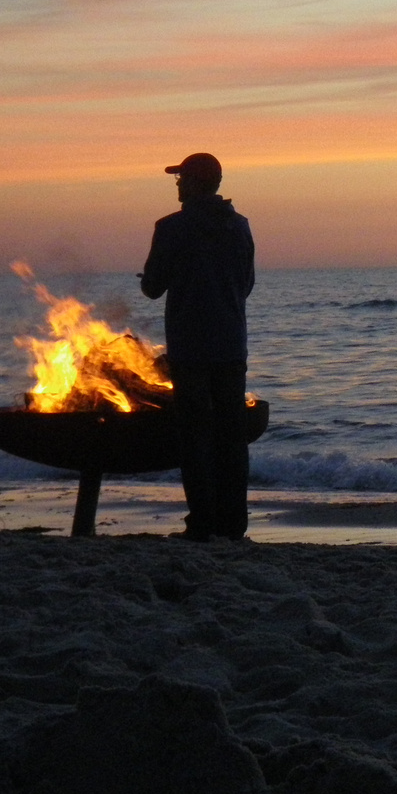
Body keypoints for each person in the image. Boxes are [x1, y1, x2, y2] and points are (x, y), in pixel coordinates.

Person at [139, 153, 255, 541]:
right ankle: (233, 524)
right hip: (231, 345)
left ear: (194, 183)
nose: (177, 184)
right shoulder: (240, 227)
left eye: (181, 178)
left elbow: (152, 288)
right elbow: (247, 284)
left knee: (196, 437)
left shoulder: (172, 228)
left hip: (190, 349)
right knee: (231, 438)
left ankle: (202, 524)